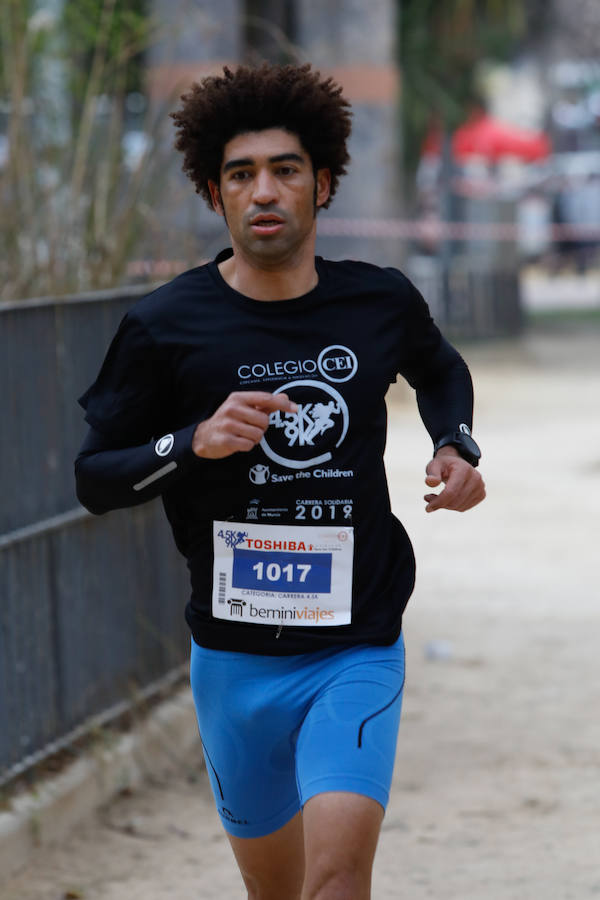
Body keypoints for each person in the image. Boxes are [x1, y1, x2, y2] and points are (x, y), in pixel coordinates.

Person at [75, 63, 486, 900]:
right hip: (233, 660)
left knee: (335, 879)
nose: (263, 190)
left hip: (355, 643)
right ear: (216, 195)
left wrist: (458, 445)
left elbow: (439, 369)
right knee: (276, 891)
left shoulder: (378, 302)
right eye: (241, 174)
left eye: (285, 170)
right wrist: (193, 442)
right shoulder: (163, 326)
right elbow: (95, 478)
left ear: (322, 184)